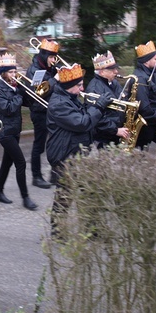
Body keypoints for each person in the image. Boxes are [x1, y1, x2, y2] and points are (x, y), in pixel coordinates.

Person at [46, 63, 111, 234]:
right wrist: (98, 107)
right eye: (79, 85)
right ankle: (58, 231)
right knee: (66, 194)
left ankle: (91, 230)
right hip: (64, 155)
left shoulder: (71, 98)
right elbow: (82, 123)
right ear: (68, 87)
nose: (83, 87)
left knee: (86, 191)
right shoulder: (58, 104)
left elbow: (86, 120)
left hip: (76, 152)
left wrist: (96, 108)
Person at [0, 53, 38, 210]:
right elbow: (8, 109)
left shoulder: (14, 87)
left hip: (14, 129)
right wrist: (18, 94)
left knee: (7, 162)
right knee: (21, 163)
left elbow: (28, 104)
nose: (14, 75)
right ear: (3, 73)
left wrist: (27, 91)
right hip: (4, 131)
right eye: (10, 72)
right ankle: (25, 198)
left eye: (15, 72)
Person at [25, 38, 60, 188]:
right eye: (52, 57)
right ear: (45, 56)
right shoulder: (33, 70)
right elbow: (37, 93)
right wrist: (55, 80)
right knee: (39, 145)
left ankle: (55, 174)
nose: (54, 60)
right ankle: (36, 176)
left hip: (52, 110)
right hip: (39, 111)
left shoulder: (50, 69)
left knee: (55, 143)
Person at [86, 51, 130, 148]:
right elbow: (96, 117)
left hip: (117, 134)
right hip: (104, 139)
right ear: (102, 72)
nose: (116, 72)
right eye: (112, 69)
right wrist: (116, 130)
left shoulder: (113, 82)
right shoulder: (94, 88)